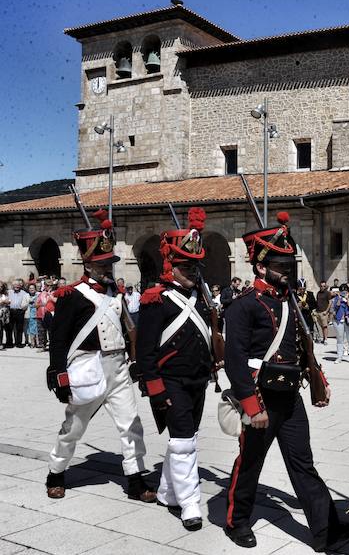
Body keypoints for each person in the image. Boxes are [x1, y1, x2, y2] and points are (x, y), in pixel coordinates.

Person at [223, 211, 349, 550]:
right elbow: (235, 362)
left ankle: (327, 530)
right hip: (259, 396)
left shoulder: (290, 302)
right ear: (261, 267)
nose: (287, 271)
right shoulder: (243, 307)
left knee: (303, 464)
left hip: (289, 396)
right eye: (281, 266)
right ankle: (237, 522)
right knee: (250, 463)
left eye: (289, 265)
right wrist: (252, 407)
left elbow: (302, 348)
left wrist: (318, 378)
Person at [44, 209, 156, 502]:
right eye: (102, 263)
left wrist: (136, 360)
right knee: (74, 427)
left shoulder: (115, 294)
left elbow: (126, 329)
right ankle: (56, 472)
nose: (108, 268)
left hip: (117, 367)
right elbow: (58, 340)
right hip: (87, 367)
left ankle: (135, 479)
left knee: (131, 424)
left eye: (109, 263)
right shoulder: (72, 295)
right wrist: (58, 374)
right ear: (88, 263)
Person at [136, 207, 212, 530]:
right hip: (171, 382)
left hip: (198, 380)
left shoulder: (202, 296)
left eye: (194, 265)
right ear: (171, 265)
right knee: (182, 441)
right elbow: (145, 351)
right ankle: (189, 502)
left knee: (188, 437)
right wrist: (155, 390)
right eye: (185, 265)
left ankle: (168, 491)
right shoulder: (157, 299)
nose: (192, 271)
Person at [332, 283, 349, 363]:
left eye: (345, 290)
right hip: (339, 320)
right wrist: (339, 299)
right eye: (342, 291)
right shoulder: (337, 297)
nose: (344, 292)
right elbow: (335, 307)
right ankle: (339, 357)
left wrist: (347, 299)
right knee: (340, 340)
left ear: (348, 291)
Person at [8, 278, 27, 347]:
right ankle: (9, 343)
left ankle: (18, 343)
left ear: (20, 286)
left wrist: (23, 310)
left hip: (20, 312)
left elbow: (26, 302)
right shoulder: (9, 292)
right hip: (11, 311)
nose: (17, 286)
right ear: (12, 285)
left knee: (19, 328)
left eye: (18, 285)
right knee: (9, 328)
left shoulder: (24, 293)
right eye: (15, 285)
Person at [25, 283, 38, 347]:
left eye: (33, 288)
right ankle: (32, 343)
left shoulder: (38, 295)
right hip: (29, 314)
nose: (31, 289)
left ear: (35, 289)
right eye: (30, 288)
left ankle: (37, 342)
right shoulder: (26, 295)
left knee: (37, 328)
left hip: (37, 314)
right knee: (31, 329)